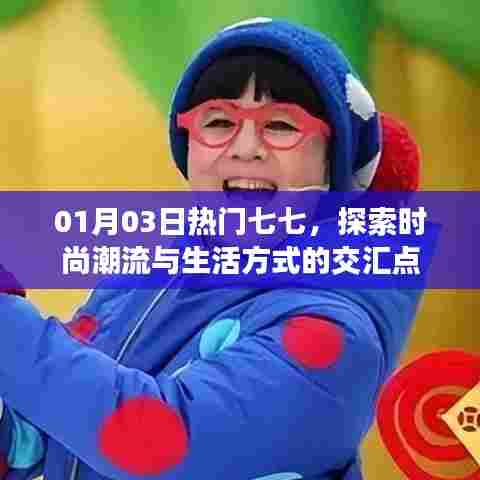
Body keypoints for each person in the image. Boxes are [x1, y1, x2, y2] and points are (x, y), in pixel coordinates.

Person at [0, 18, 421, 480]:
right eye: (218, 121)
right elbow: (43, 432)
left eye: (282, 125)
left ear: (332, 164)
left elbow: (153, 440)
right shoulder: (146, 278)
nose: (246, 147)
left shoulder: (333, 334)